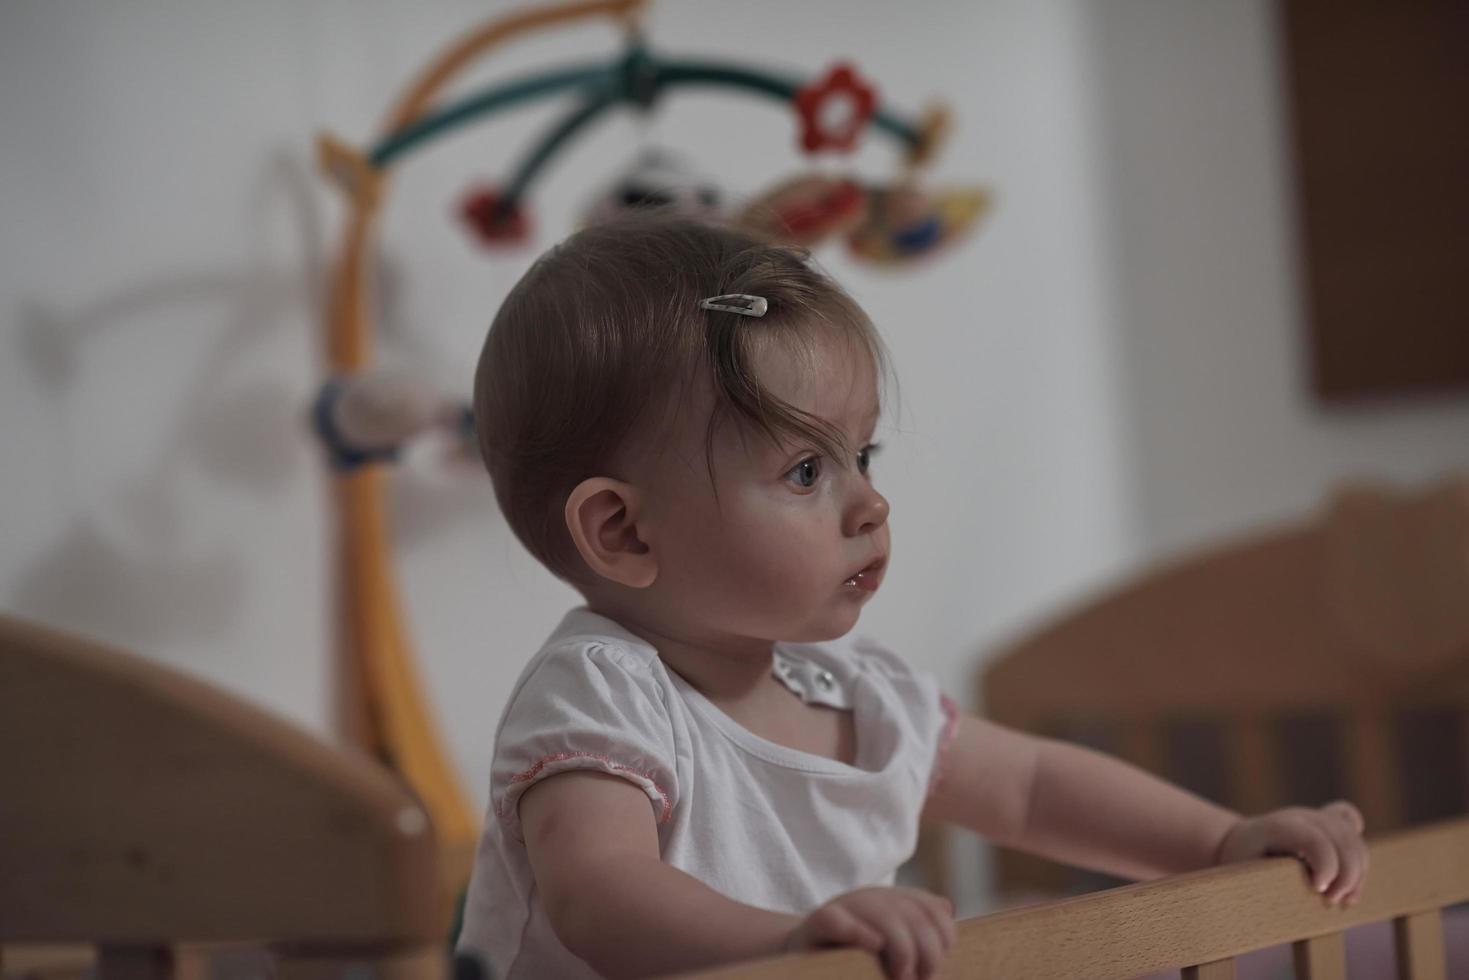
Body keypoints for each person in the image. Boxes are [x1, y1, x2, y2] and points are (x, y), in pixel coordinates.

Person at [455, 214, 1368, 980]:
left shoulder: (856, 692)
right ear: (624, 532)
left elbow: (1033, 787)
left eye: (865, 456)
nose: (869, 502)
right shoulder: (601, 694)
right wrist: (784, 948)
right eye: (806, 470)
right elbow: (598, 893)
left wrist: (1220, 842)